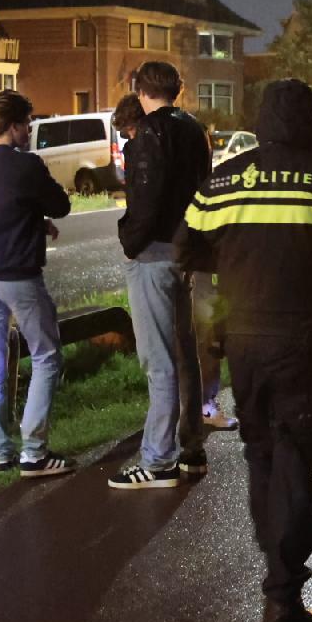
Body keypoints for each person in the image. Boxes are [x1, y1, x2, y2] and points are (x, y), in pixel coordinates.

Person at [175, 79, 312, 622]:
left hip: (243, 339)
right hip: (305, 341)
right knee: (295, 455)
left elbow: (188, 246)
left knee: (260, 453)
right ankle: (286, 599)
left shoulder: (225, 179)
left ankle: (276, 575)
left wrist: (232, 273)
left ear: (262, 119)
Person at [109, 61, 212, 489]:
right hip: (185, 252)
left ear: (139, 89)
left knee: (159, 358)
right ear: (179, 89)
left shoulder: (151, 133)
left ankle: (158, 459)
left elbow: (146, 202)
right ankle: (191, 447)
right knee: (185, 353)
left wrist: (129, 241)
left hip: (154, 255)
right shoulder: (194, 130)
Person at [0, 90, 74, 477]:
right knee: (46, 356)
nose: (30, 130)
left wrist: (34, 221)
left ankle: (0, 448)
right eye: (27, 123)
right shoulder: (27, 165)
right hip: (18, 275)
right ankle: (34, 451)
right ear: (14, 126)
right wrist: (41, 217)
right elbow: (60, 204)